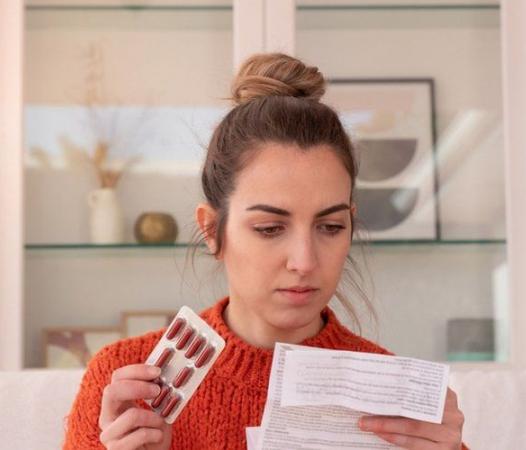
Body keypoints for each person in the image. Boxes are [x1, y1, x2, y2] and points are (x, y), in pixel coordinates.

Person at [63, 53, 468, 450]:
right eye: (270, 228)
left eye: (330, 227)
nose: (305, 262)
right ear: (211, 230)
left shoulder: (393, 404)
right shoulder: (124, 383)